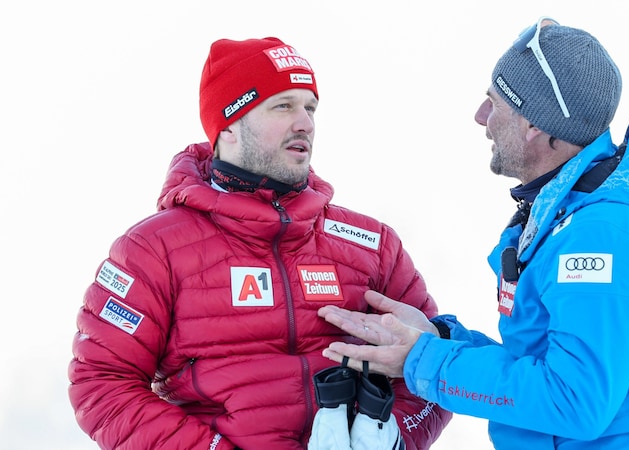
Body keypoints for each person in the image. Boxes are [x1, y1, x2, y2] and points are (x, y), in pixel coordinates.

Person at [317, 17, 629, 449]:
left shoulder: (604, 234)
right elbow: (537, 365)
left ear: (534, 124)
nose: (481, 117)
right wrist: (439, 339)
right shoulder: (563, 213)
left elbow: (573, 401)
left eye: (495, 102)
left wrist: (422, 359)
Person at [68, 36, 451, 450]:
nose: (305, 122)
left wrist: (393, 436)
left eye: (310, 107)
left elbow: (436, 362)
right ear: (228, 125)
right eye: (283, 105)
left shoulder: (372, 244)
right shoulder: (152, 250)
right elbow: (101, 383)